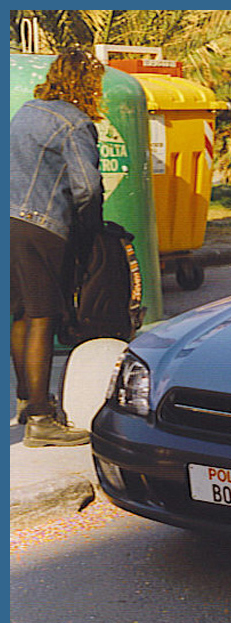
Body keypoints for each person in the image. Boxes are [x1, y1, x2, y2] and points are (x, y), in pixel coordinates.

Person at [10, 49, 105, 446]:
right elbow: (87, 186)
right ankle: (41, 419)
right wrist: (90, 228)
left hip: (8, 221)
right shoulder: (74, 123)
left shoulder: (26, 112)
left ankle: (26, 398)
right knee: (44, 317)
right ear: (88, 84)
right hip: (42, 226)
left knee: (20, 313)